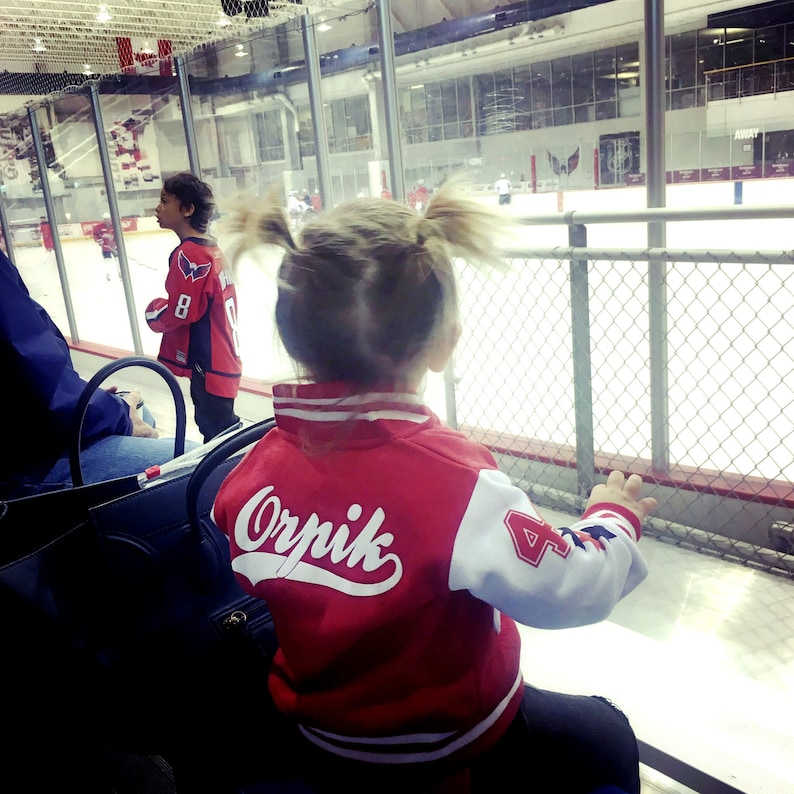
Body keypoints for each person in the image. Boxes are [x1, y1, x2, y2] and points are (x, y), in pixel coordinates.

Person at [211, 177, 657, 793]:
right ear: (444, 342)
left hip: (321, 734)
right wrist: (613, 517)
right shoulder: (455, 485)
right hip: (447, 751)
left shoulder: (249, 475)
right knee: (604, 735)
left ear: (293, 340)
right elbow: (568, 586)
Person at [0, 247, 193, 500]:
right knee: (193, 463)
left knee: (141, 412)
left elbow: (29, 375)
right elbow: (32, 370)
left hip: (26, 438)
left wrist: (92, 400)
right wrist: (120, 415)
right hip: (22, 463)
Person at [146, 172, 241, 444]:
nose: (157, 207)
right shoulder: (212, 249)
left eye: (165, 201)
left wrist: (153, 313)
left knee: (218, 437)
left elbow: (182, 311)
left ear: (187, 209)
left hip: (209, 363)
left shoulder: (190, 254)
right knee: (220, 430)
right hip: (222, 358)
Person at [93, 213, 119, 281]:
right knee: (107, 262)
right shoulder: (98, 227)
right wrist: (99, 241)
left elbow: (118, 235)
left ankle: (120, 273)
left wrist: (116, 242)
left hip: (115, 247)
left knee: (118, 260)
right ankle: (108, 274)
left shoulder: (115, 225)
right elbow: (95, 235)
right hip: (105, 248)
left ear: (110, 219)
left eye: (107, 219)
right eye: (105, 219)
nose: (106, 221)